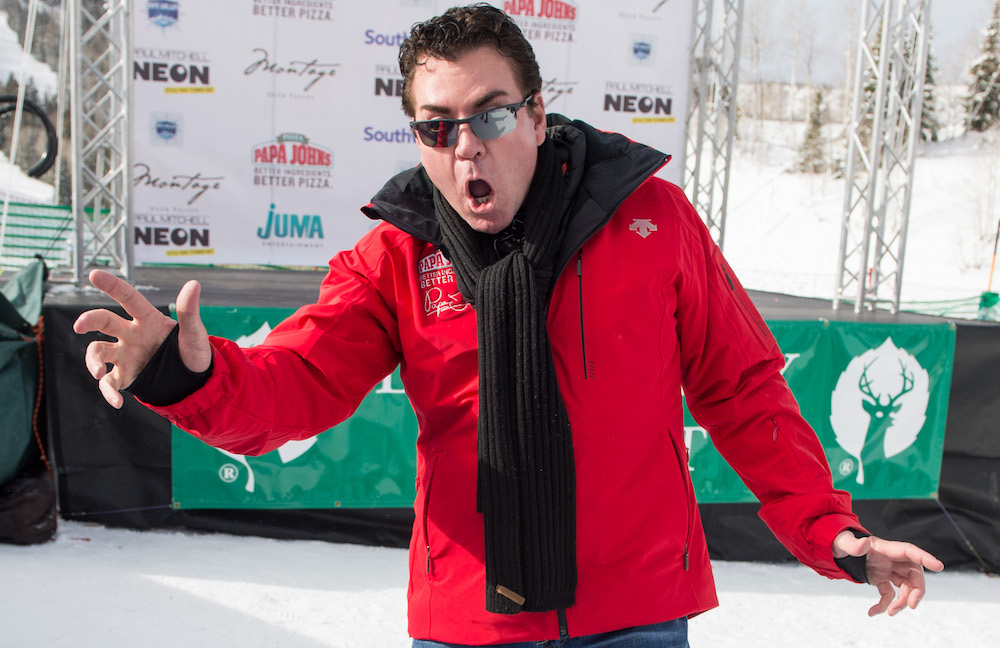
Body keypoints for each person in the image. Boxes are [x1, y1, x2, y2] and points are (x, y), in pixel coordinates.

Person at [74, 4, 944, 647]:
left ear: (535, 114)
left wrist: (832, 531)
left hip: (638, 615)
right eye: (438, 126)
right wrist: (189, 378)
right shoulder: (394, 255)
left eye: (491, 115)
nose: (467, 147)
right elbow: (295, 386)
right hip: (468, 624)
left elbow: (743, 387)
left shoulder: (653, 219)